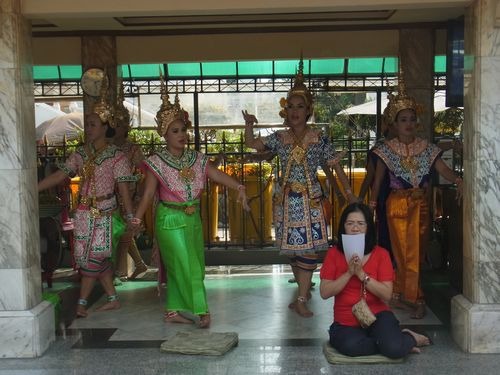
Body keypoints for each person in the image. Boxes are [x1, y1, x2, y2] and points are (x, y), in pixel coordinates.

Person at [130, 78, 250, 328]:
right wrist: (137, 218)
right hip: (169, 219)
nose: (182, 135)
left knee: (190, 265)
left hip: (192, 218)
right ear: (164, 133)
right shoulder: (156, 162)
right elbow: (149, 194)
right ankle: (201, 309)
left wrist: (238, 185)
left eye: (183, 129)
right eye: (175, 131)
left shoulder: (196, 158)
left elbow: (215, 174)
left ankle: (173, 310)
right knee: (187, 266)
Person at [243, 58, 357, 318]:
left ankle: (303, 297)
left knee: (309, 251)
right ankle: (301, 295)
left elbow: (334, 164)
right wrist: (249, 124)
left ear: (308, 110)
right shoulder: (279, 137)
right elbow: (252, 143)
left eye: (300, 106)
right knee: (293, 251)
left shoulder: (318, 136)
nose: (295, 110)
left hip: (311, 200)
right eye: (291, 106)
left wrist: (348, 193)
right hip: (285, 201)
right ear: (286, 110)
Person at [38, 77, 135, 318]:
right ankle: (112, 298)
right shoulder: (81, 153)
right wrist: (35, 187)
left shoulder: (116, 156)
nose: (88, 128)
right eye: (88, 124)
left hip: (105, 213)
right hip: (82, 212)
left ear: (105, 127)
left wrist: (132, 216)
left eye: (92, 124)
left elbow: (123, 188)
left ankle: (81, 303)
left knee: (94, 258)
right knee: (85, 259)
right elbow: (61, 175)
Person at [370, 76, 463, 319]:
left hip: (420, 204)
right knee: (402, 252)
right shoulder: (386, 149)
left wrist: (459, 180)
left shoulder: (427, 148)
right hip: (397, 204)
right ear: (394, 123)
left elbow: (443, 170)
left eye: (412, 119)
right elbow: (378, 181)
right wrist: (370, 205)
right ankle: (414, 298)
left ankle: (404, 295)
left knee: (417, 252)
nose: (408, 123)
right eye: (403, 119)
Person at [320, 202, 431, 358]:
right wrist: (348, 274)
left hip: (378, 316)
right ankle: (395, 341)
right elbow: (324, 292)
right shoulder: (333, 254)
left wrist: (362, 275)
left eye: (360, 224)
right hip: (346, 321)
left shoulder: (381, 254)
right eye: (350, 223)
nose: (355, 228)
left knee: (393, 350)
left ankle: (405, 339)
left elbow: (386, 294)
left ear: (368, 228)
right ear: (343, 227)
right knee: (352, 347)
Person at [112, 83, 148, 281]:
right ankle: (139, 264)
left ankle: (119, 271)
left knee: (126, 232)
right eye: (115, 124)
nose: (118, 128)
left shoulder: (132, 148)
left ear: (126, 126)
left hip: (130, 195)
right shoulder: (108, 147)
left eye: (121, 124)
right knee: (120, 233)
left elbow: (143, 170)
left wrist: (139, 192)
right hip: (111, 195)